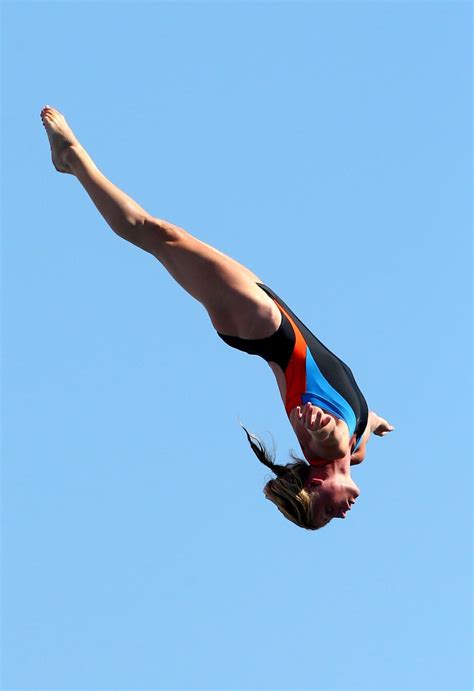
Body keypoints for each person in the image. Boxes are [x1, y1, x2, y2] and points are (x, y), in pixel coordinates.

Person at [40, 105, 395, 531]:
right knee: (162, 238)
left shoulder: (329, 442)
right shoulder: (352, 449)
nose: (340, 514)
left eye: (324, 511)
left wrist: (318, 425)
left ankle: (72, 160)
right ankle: (72, 162)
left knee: (157, 235)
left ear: (315, 482)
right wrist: (373, 422)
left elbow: (328, 432)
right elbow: (357, 430)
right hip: (268, 314)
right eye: (328, 518)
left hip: (259, 323)